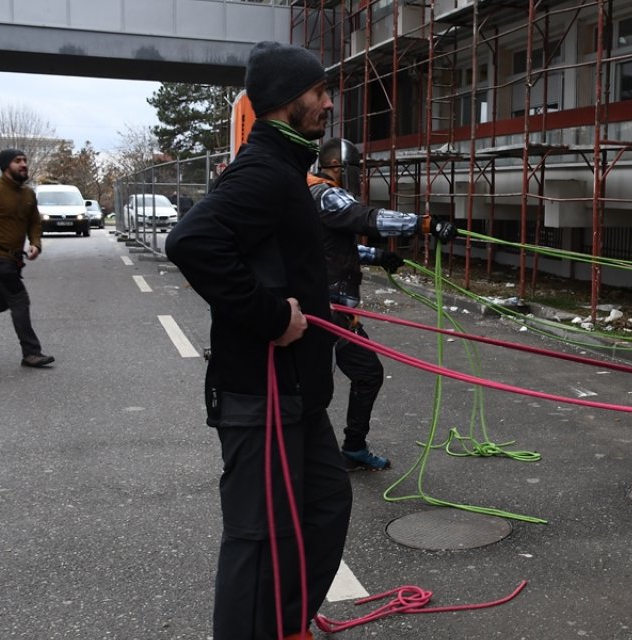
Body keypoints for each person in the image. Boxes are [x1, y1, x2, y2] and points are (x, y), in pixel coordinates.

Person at [165, 41, 350, 640]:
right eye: (320, 92)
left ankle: (285, 624)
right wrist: (273, 317)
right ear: (289, 101)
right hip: (261, 395)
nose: (328, 102)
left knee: (324, 508)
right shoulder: (265, 171)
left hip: (300, 394)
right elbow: (191, 242)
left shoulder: (286, 168)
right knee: (257, 537)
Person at [307, 137, 457, 470]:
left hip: (340, 314)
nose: (358, 177)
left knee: (368, 373)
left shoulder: (315, 197)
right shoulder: (328, 195)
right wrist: (422, 224)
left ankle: (353, 448)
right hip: (328, 312)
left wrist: (377, 256)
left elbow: (332, 248)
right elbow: (367, 218)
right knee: (315, 390)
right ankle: (306, 461)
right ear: (338, 168)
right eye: (355, 170)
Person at [0, 149, 55, 368]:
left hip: (14, 259)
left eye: (25, 160)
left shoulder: (27, 194)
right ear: (6, 165)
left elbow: (34, 223)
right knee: (19, 300)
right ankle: (31, 353)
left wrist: (35, 243)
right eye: (18, 161)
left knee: (0, 301)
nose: (24, 164)